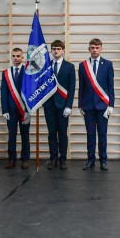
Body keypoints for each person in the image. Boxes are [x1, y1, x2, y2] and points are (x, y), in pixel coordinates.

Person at [78, 38, 115, 170]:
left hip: (103, 106)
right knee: (90, 134)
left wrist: (111, 105)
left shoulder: (108, 64)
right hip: (88, 106)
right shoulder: (83, 65)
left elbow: (110, 87)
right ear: (89, 49)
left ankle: (103, 160)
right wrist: (80, 105)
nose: (94, 50)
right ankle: (90, 160)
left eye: (97, 47)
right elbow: (81, 87)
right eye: (92, 48)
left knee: (102, 134)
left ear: (101, 49)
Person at [43, 40, 75, 170]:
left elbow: (71, 88)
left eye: (58, 49)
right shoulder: (46, 67)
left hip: (63, 105)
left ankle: (63, 159)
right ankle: (53, 158)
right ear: (51, 50)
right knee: (51, 133)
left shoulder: (69, 67)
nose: (56, 51)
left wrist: (69, 106)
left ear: (63, 50)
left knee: (62, 133)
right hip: (49, 105)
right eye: (54, 49)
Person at [1, 48, 30, 169]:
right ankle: (11, 159)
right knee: (12, 135)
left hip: (24, 110)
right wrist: (4, 110)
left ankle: (25, 159)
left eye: (18, 56)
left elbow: (30, 92)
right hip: (11, 110)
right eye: (13, 56)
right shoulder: (6, 73)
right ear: (11, 57)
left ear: (22, 57)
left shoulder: (28, 72)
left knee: (25, 135)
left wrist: (29, 110)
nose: (16, 58)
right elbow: (3, 92)